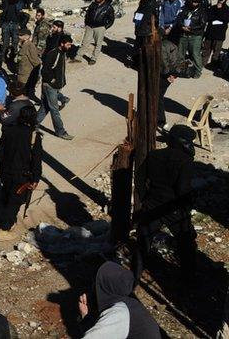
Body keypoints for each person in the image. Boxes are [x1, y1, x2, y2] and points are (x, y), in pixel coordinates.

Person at [135, 124, 197, 280]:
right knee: (186, 243)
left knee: (143, 242)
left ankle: (134, 276)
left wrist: (145, 198)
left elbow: (139, 179)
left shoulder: (154, 155)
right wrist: (185, 210)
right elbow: (183, 190)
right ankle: (188, 278)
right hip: (173, 209)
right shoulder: (185, 161)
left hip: (153, 205)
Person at [0, 106, 42, 241]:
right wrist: (36, 178)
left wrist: (0, 170)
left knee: (7, 195)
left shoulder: (8, 130)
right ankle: (3, 229)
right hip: (22, 175)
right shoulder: (33, 135)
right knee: (14, 202)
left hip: (6, 171)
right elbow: (36, 159)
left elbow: (1, 153)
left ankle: (9, 221)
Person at [79, 262, 162, 338]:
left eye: (97, 284)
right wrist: (85, 316)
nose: (93, 287)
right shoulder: (128, 305)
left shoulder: (118, 313)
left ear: (106, 286)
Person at [37, 34, 74, 140]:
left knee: (45, 107)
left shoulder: (62, 53)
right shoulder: (53, 54)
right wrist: (52, 80)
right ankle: (60, 131)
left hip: (55, 86)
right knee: (54, 110)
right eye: (68, 45)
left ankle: (32, 124)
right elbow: (44, 71)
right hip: (50, 86)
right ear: (62, 44)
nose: (69, 47)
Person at [79, 0, 115, 65]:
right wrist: (86, 23)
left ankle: (93, 58)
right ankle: (78, 57)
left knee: (98, 44)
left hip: (100, 27)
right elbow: (87, 14)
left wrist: (105, 27)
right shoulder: (93, 4)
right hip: (89, 26)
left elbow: (111, 19)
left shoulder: (108, 7)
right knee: (85, 42)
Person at [177, 0, 206, 78]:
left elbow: (202, 24)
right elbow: (179, 19)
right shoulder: (186, 9)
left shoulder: (202, 12)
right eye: (193, 2)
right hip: (184, 34)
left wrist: (191, 28)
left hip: (195, 35)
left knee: (195, 54)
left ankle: (197, 72)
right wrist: (182, 26)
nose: (193, 3)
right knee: (181, 53)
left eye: (196, 2)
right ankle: (181, 70)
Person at [203, 0, 229, 66]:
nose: (220, 1)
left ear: (225, 0)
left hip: (219, 34)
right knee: (206, 49)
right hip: (210, 32)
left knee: (216, 51)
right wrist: (218, 16)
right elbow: (208, 17)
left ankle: (213, 65)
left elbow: (225, 19)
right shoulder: (212, 8)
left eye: (222, 0)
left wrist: (219, 10)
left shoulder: (227, 9)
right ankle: (203, 63)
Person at [16, 28, 42, 95]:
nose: (19, 37)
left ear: (27, 36)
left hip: (26, 74)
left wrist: (37, 76)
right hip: (21, 72)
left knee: (24, 93)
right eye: (19, 35)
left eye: (21, 35)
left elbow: (35, 61)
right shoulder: (22, 44)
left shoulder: (30, 46)